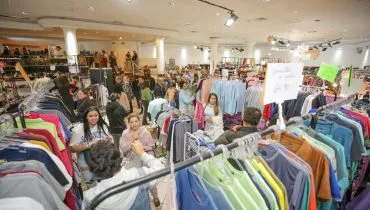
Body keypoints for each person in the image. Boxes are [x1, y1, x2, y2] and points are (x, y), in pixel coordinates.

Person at [83, 140, 164, 209]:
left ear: (93, 169)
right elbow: (161, 169)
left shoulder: (91, 198)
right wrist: (142, 153)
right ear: (119, 158)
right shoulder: (139, 176)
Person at [119, 113, 161, 207]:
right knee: (136, 180)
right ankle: (138, 198)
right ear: (128, 123)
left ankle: (155, 197)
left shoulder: (144, 131)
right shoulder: (125, 133)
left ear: (139, 122)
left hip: (145, 157)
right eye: (132, 122)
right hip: (132, 159)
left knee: (150, 178)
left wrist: (142, 148)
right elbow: (123, 148)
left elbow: (152, 145)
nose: (134, 124)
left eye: (136, 121)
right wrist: (131, 143)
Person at [70, 106, 112, 184]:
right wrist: (88, 146)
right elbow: (72, 148)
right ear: (86, 117)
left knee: (106, 184)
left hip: (102, 161)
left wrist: (108, 140)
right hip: (86, 164)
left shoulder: (103, 126)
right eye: (90, 116)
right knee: (92, 188)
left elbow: (109, 142)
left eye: (96, 115)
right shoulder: (78, 129)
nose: (94, 118)